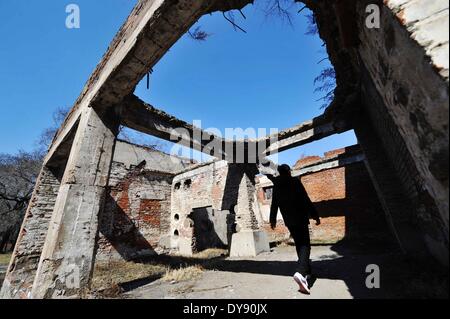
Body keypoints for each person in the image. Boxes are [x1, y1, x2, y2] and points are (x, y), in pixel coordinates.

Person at [267, 164, 320, 294]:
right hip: (300, 218)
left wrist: (272, 219)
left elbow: (274, 204)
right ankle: (301, 272)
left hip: (289, 221)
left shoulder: (277, 186)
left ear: (279, 172)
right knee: (305, 245)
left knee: (299, 244)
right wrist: (315, 215)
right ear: (289, 172)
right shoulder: (295, 182)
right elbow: (305, 199)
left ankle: (307, 273)